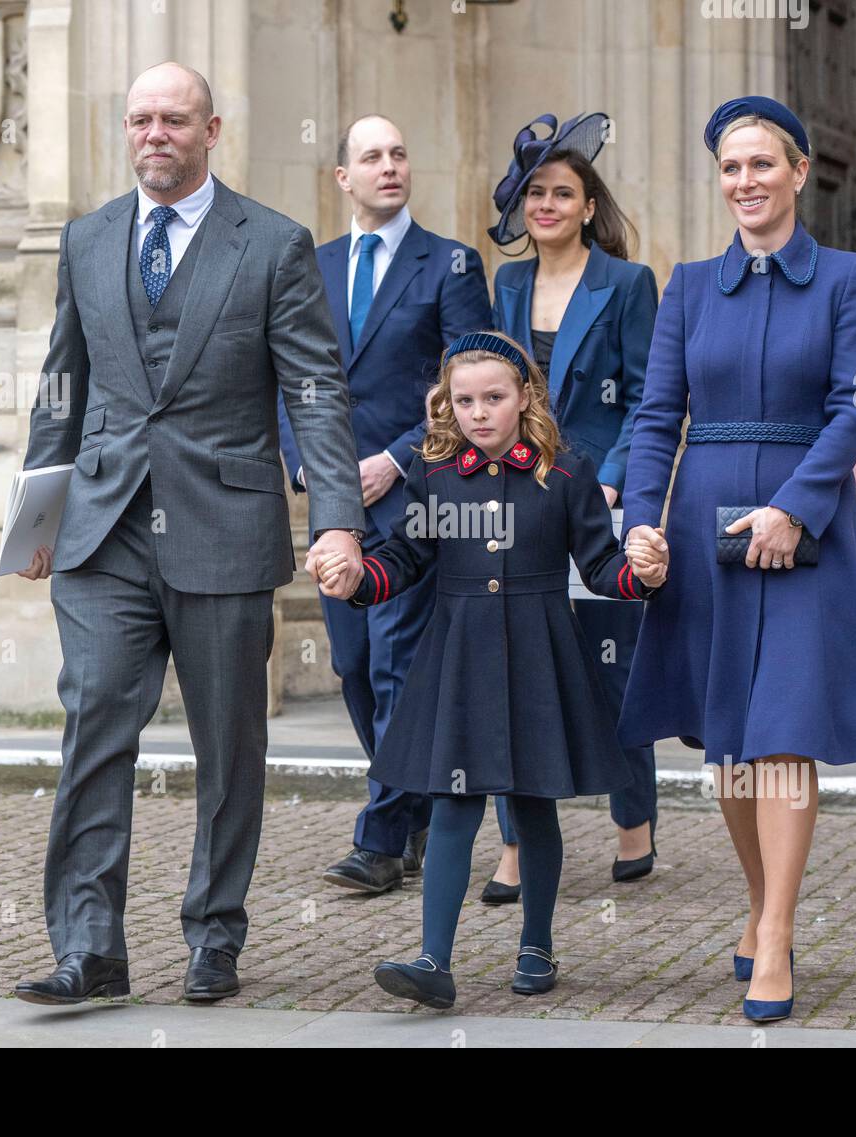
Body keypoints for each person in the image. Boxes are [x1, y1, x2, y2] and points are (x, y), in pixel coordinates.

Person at [12, 63, 365, 1006]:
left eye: (174, 119)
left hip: (225, 525)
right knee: (92, 724)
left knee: (229, 744)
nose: (154, 134)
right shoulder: (84, 240)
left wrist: (338, 519)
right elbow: (62, 386)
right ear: (126, 132)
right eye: (140, 120)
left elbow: (317, 393)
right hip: (102, 530)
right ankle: (91, 946)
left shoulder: (277, 244)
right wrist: (35, 520)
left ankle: (215, 933)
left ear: (213, 130)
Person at [620, 96, 856, 1024]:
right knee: (732, 743)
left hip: (807, 530)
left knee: (784, 732)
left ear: (799, 174)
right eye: (730, 168)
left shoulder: (850, 278)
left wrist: (795, 507)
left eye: (762, 165)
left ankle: (777, 934)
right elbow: (656, 414)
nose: (745, 182)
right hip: (705, 526)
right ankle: (760, 904)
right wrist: (641, 523)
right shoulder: (688, 285)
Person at [314, 330, 667, 1008]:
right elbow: (403, 559)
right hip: (460, 656)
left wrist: (641, 574)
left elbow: (601, 566)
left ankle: (537, 945)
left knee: (533, 804)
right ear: (448, 404)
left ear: (525, 396)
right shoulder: (434, 472)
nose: (479, 412)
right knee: (452, 805)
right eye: (465, 400)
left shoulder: (567, 472)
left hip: (542, 653)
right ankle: (433, 959)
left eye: (494, 398)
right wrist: (358, 576)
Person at [277, 114, 490, 895]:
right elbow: (290, 381)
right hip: (334, 498)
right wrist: (306, 468)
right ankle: (421, 802)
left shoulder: (452, 265)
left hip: (416, 497)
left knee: (398, 658)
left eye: (400, 152)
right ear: (344, 177)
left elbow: (471, 382)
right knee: (354, 663)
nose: (390, 165)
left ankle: (379, 835)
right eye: (372, 156)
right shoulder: (314, 264)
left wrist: (397, 460)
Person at [481, 112, 660, 898]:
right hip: (519, 493)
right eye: (534, 194)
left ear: (589, 206)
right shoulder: (507, 281)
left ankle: (634, 821)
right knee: (512, 668)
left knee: (611, 666)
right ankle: (516, 844)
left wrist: (616, 477)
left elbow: (652, 396)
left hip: (599, 494)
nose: (545, 205)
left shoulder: (627, 284)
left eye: (561, 193)